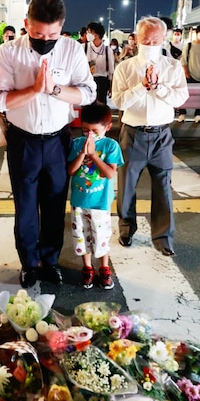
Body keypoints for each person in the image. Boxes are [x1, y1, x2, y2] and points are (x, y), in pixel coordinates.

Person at [0, 0, 96, 288]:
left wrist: (54, 90)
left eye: (52, 34)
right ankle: (29, 262)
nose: (45, 39)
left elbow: (88, 93)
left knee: (53, 204)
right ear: (26, 24)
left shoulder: (72, 50)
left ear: (62, 28)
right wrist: (35, 90)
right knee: (25, 205)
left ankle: (50, 261)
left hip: (58, 140)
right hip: (22, 140)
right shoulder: (9, 52)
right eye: (37, 33)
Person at [112, 16, 188, 256]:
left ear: (164, 38)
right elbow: (118, 100)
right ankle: (126, 229)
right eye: (145, 38)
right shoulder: (125, 67)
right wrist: (142, 87)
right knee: (126, 187)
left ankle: (163, 236)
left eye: (155, 39)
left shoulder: (173, 67)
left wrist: (158, 87)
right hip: (132, 134)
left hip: (162, 134)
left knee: (163, 186)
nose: (150, 43)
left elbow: (180, 99)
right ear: (136, 38)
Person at [67, 102, 123, 289]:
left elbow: (110, 173)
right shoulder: (76, 144)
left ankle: (105, 268)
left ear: (108, 127)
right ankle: (87, 267)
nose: (89, 135)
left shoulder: (110, 145)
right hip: (79, 201)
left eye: (94, 131)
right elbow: (71, 171)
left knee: (101, 236)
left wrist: (95, 155)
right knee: (82, 235)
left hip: (100, 203)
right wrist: (83, 153)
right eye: (85, 130)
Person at [178, 24, 200, 123]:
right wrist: (187, 73)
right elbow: (183, 61)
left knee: (199, 96)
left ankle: (198, 114)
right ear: (196, 33)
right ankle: (182, 113)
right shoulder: (188, 45)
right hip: (188, 75)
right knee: (184, 94)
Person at [84, 21, 115, 104]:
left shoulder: (107, 50)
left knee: (100, 106)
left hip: (102, 81)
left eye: (90, 32)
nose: (87, 34)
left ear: (97, 34)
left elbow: (111, 71)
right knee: (87, 106)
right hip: (87, 80)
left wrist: (111, 86)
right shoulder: (84, 47)